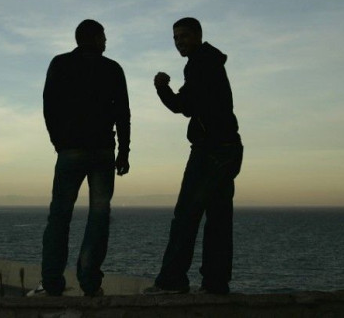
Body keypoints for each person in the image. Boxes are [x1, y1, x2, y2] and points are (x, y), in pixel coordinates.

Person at [29, 19, 131, 297]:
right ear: (96, 38)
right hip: (103, 151)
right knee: (99, 217)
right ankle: (89, 281)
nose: (106, 41)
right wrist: (124, 151)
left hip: (70, 150)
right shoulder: (112, 69)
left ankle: (51, 283)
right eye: (104, 36)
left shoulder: (60, 64)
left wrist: (58, 142)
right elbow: (123, 113)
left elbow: (49, 106)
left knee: (60, 216)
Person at [145, 17, 243, 295]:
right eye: (176, 38)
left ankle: (172, 280)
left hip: (211, 149)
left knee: (187, 215)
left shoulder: (200, 64)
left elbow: (183, 106)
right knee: (219, 220)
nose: (179, 42)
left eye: (184, 36)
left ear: (199, 35)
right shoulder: (209, 62)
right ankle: (216, 283)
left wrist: (161, 87)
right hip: (228, 148)